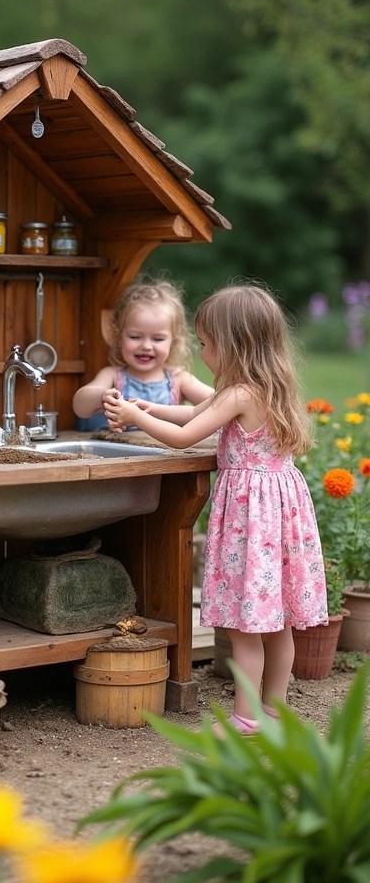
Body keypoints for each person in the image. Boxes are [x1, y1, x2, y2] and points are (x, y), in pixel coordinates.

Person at [102, 282, 328, 734]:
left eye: (206, 343)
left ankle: (245, 719)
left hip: (252, 523)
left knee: (245, 631)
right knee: (278, 626)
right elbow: (191, 415)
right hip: (278, 518)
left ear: (232, 345)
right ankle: (273, 713)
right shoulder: (269, 387)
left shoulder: (240, 393)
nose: (202, 351)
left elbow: (187, 437)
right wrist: (151, 406)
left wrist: (134, 418)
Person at [72, 277, 213, 432]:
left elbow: (219, 404)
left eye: (158, 339)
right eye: (135, 337)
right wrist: (102, 397)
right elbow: (80, 407)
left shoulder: (179, 380)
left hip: (167, 455)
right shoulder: (113, 375)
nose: (146, 346)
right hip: (122, 454)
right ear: (119, 336)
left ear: (174, 341)